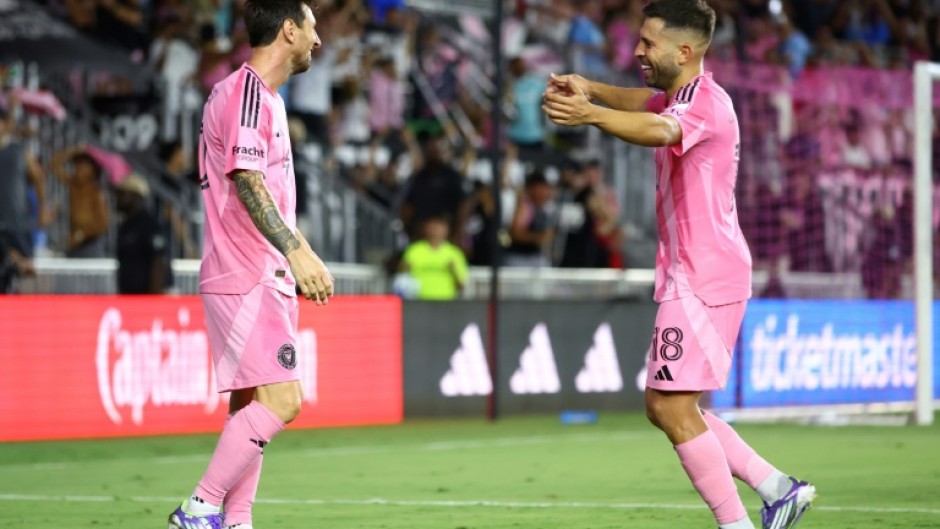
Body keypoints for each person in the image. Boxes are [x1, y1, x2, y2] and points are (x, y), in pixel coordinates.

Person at [541, 2, 816, 529]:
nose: (637, 51)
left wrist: (591, 115)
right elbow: (647, 103)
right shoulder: (681, 95)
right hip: (694, 274)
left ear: (684, 51)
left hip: (705, 277)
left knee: (669, 407)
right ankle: (780, 489)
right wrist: (591, 89)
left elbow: (660, 129)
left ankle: (738, 522)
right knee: (671, 405)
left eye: (648, 43)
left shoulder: (706, 105)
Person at [168, 2, 334, 529]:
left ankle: (236, 520)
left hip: (254, 272)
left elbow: (267, 191)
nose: (318, 40)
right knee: (284, 401)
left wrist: (297, 252)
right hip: (248, 273)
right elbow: (247, 180)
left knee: (251, 406)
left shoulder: (264, 99)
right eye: (312, 28)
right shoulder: (246, 94)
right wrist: (296, 250)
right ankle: (199, 509)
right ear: (289, 29)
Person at [114, 174, 169, 294]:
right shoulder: (124, 226)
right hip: (128, 298)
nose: (117, 198)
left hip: (146, 300)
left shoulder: (150, 225)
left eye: (122, 193)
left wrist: (152, 300)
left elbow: (159, 262)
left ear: (136, 196)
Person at [399, 215, 468, 300]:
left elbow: (461, 286)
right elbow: (402, 277)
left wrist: (454, 271)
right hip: (418, 301)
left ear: (447, 230)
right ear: (425, 228)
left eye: (439, 227)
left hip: (446, 301)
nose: (436, 230)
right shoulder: (414, 251)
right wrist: (404, 268)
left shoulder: (455, 253)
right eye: (433, 226)